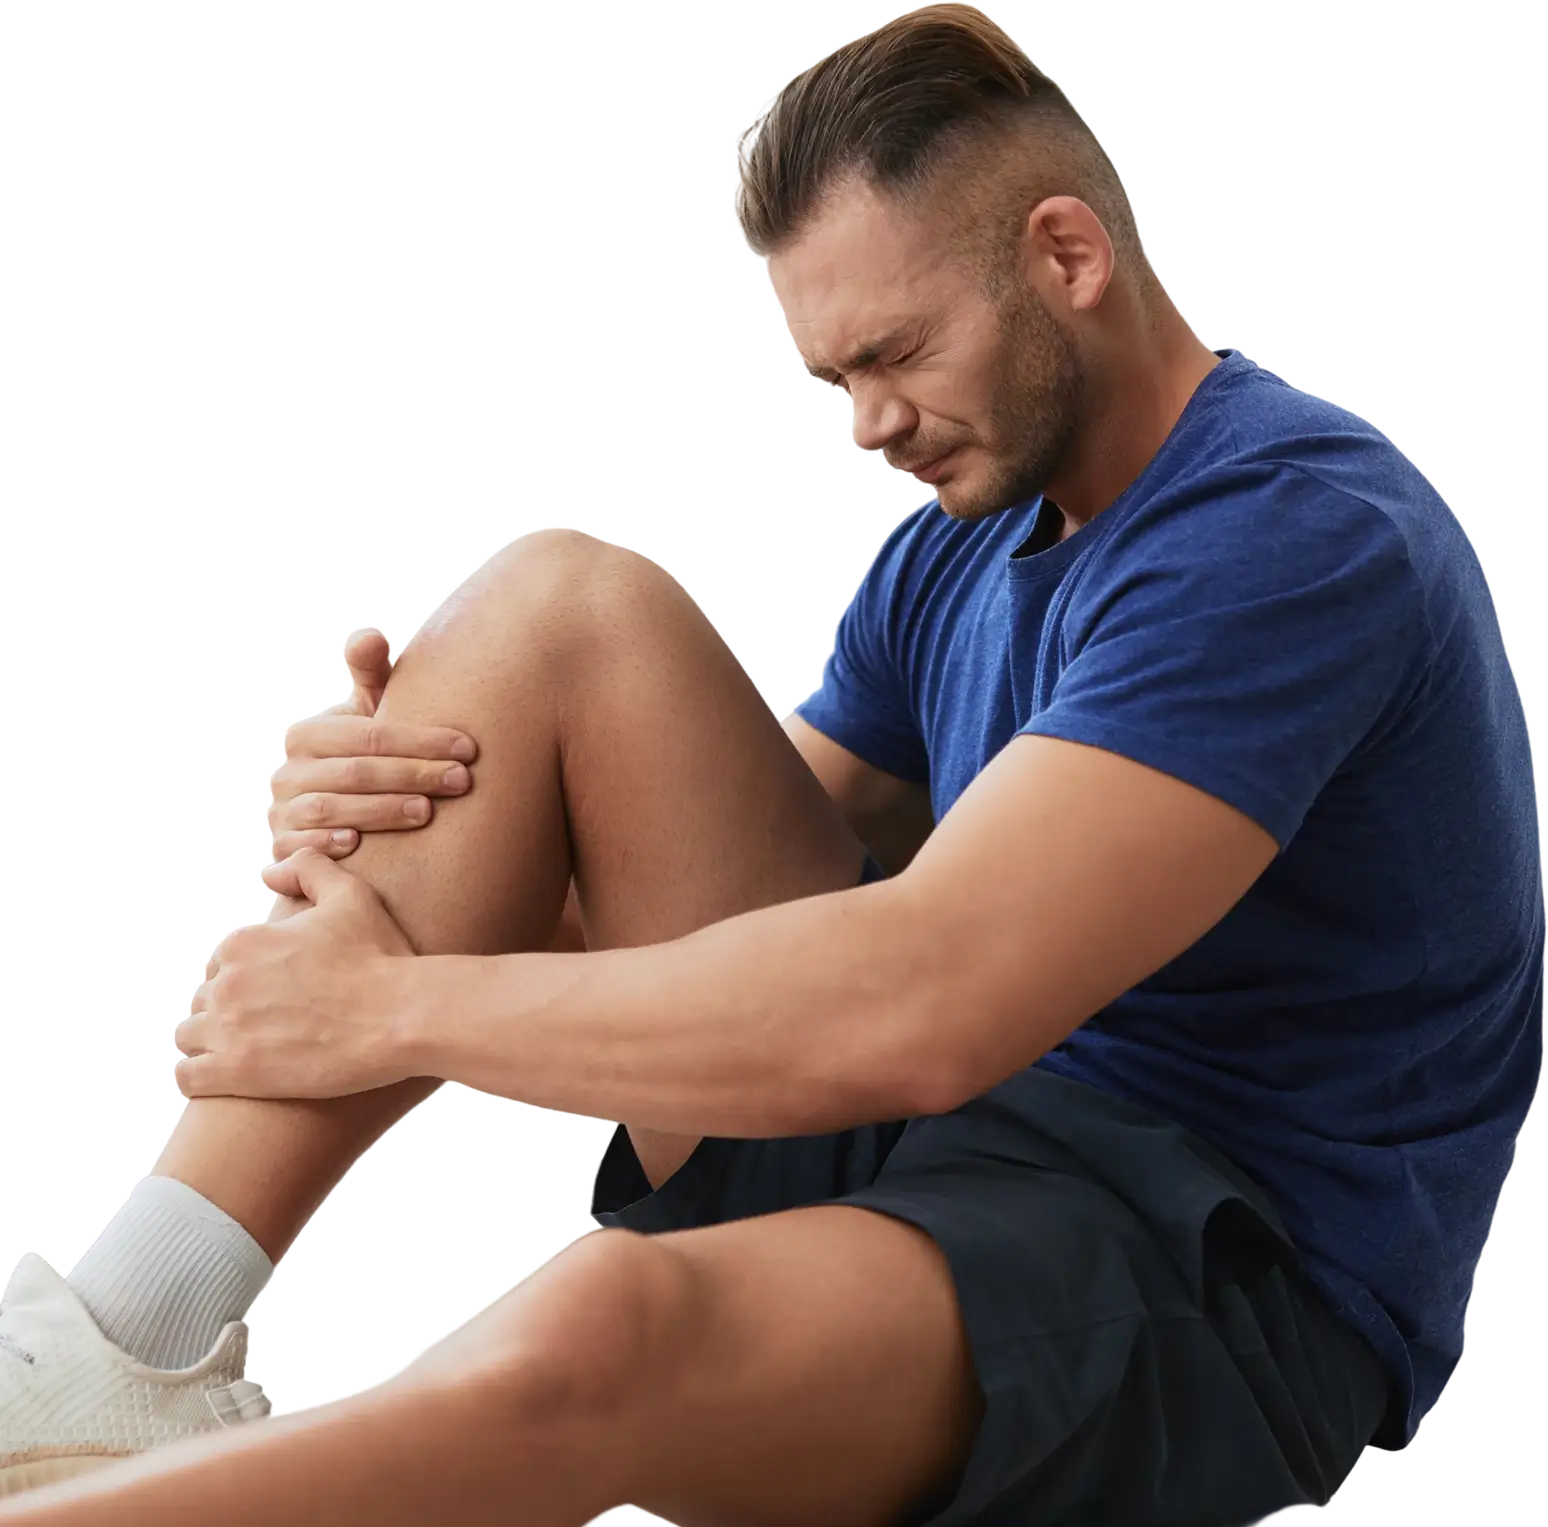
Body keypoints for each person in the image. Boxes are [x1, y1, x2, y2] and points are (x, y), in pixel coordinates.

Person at [1, 8, 1540, 1525]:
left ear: (1067, 257)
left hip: (1213, 1267)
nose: (868, 425)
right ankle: (129, 1339)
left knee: (599, 1321)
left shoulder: (1298, 535)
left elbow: (923, 998)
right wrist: (414, 829)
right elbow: (668, 930)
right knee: (554, 613)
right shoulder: (957, 549)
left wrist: (387, 1006)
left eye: (895, 354)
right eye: (833, 380)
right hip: (957, 1130)